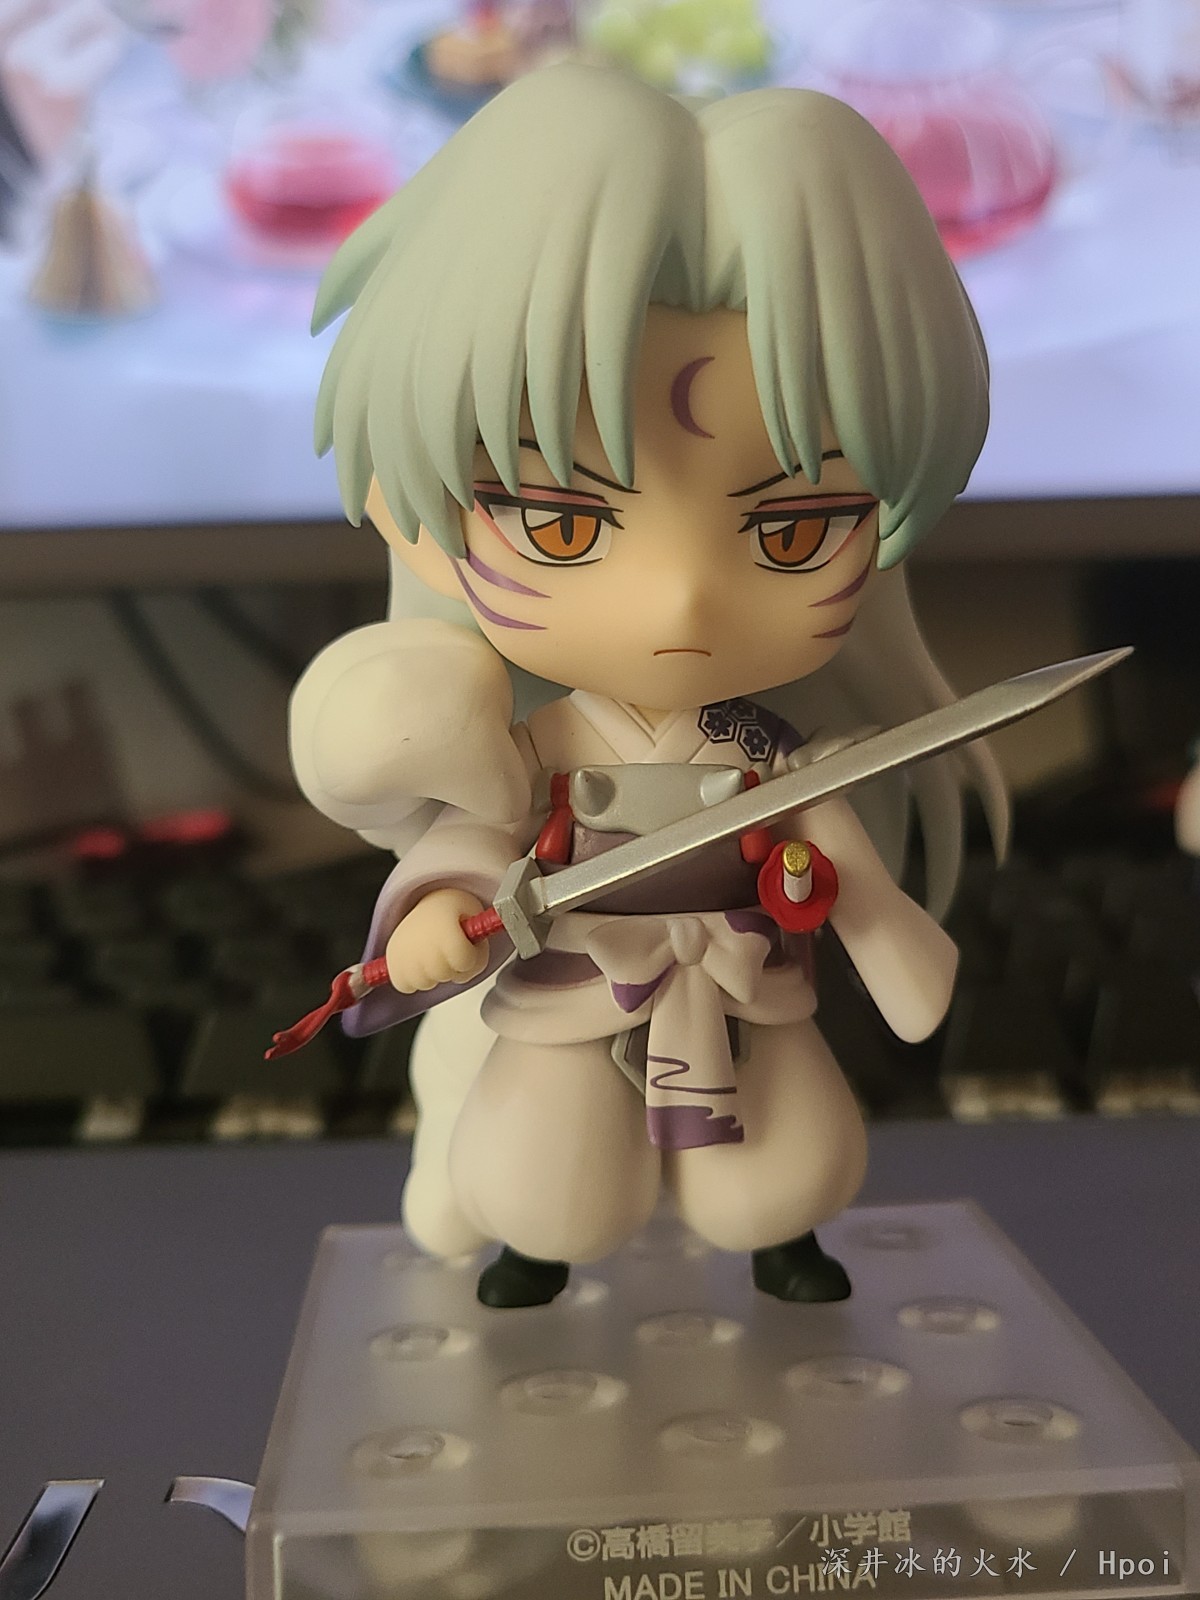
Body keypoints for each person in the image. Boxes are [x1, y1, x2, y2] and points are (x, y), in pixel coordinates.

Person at [290, 62, 1006, 1307]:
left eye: (793, 530)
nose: (682, 600)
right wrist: (437, 912)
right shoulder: (542, 743)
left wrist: (835, 894)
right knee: (551, 1172)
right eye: (564, 525)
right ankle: (535, 1243)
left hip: (740, 981)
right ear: (413, 519)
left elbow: (835, 858)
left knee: (781, 1165)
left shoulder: (771, 750)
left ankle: (780, 1239)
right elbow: (481, 834)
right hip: (575, 973)